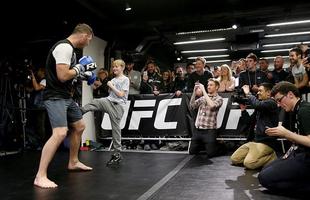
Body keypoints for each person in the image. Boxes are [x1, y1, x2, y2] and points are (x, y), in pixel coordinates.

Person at [33, 23, 95, 188]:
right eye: (89, 40)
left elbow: (69, 76)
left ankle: (73, 162)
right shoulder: (64, 47)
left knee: (80, 126)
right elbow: (62, 76)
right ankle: (40, 176)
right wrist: (80, 68)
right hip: (55, 97)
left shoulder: (71, 51)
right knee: (60, 133)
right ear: (84, 35)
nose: (88, 43)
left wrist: (82, 74)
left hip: (66, 97)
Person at [258, 81, 310, 195]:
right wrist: (282, 134)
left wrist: (287, 134)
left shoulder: (304, 110)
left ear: (290, 94)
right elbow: (298, 138)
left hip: (306, 157)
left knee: (265, 178)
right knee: (265, 171)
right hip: (299, 153)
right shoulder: (294, 110)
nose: (278, 104)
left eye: (279, 100)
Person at [81, 59, 129, 165]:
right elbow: (110, 93)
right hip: (109, 101)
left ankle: (117, 154)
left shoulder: (125, 79)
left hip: (118, 106)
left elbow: (121, 95)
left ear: (122, 68)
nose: (114, 68)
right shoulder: (113, 79)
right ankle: (80, 111)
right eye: (113, 66)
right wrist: (109, 87)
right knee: (96, 102)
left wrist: (111, 86)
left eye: (117, 66)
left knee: (115, 130)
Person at [230, 83, 279, 169]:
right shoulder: (260, 107)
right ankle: (255, 156)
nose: (258, 93)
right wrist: (243, 110)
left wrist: (248, 94)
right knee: (235, 159)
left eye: (260, 91)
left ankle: (271, 157)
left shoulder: (272, 103)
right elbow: (248, 121)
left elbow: (257, 105)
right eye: (258, 91)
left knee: (249, 164)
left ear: (268, 93)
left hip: (266, 143)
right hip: (254, 141)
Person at [189, 78, 223, 156]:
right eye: (208, 85)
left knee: (211, 154)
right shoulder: (203, 98)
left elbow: (212, 105)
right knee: (192, 152)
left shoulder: (219, 99)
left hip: (209, 131)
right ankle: (205, 145)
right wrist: (194, 92)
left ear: (217, 87)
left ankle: (220, 144)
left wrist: (203, 91)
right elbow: (192, 106)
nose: (208, 87)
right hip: (198, 130)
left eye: (211, 85)